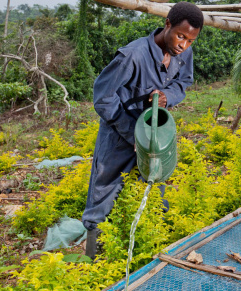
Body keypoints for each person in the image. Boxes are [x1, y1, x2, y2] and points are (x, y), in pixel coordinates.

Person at [82, 2, 203, 259]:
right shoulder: (133, 55)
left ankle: (153, 251)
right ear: (167, 24)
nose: (184, 45)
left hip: (154, 133)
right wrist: (132, 134)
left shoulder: (184, 54)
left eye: (191, 41)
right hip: (119, 133)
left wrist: (166, 97)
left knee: (154, 185)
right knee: (104, 193)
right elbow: (103, 97)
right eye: (181, 36)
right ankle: (93, 259)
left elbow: (184, 82)